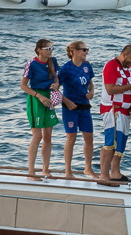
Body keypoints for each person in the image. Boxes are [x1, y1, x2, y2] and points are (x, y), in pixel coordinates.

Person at [97, 44, 131, 185]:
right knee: (110, 142)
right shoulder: (111, 66)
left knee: (120, 142)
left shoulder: (130, 68)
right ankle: (104, 175)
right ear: (124, 54)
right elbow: (110, 89)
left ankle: (115, 172)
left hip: (125, 110)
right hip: (113, 109)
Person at [56, 41, 96, 179]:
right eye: (84, 50)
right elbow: (55, 89)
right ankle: (68, 171)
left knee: (89, 138)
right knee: (71, 138)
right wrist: (66, 101)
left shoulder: (87, 66)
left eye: (87, 50)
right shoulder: (66, 69)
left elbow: (91, 84)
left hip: (84, 106)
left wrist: (91, 92)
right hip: (70, 108)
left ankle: (88, 168)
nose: (86, 52)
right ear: (75, 52)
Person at [21, 39, 59, 180]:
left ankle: (45, 170)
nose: (51, 51)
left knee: (48, 135)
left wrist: (56, 85)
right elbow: (23, 85)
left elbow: (56, 78)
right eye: (48, 48)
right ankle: (31, 172)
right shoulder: (32, 64)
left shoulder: (53, 61)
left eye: (52, 48)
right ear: (39, 50)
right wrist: (38, 96)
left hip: (49, 97)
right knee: (37, 136)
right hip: (36, 98)